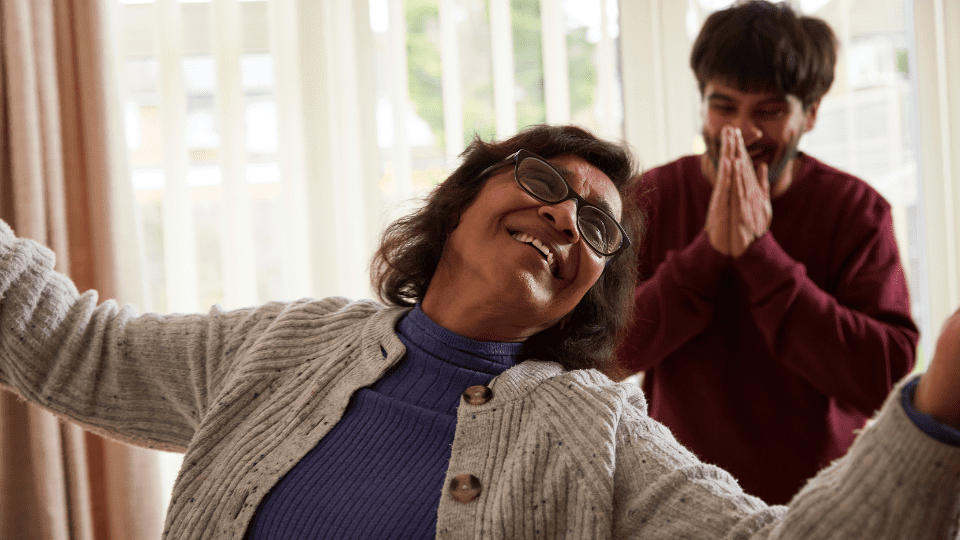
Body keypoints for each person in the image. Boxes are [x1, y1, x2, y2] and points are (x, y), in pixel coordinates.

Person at [1, 124, 958, 540]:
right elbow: (72, 345)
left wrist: (946, 394)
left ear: (585, 296)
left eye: (597, 229)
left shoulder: (595, 433)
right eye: (544, 183)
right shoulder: (285, 345)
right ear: (458, 206)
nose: (562, 218)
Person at [612, 0, 920, 504]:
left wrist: (762, 258)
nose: (743, 131)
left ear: (811, 113)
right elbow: (609, 353)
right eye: (723, 106)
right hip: (680, 495)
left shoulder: (856, 210)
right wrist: (707, 255)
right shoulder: (651, 199)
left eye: (770, 111)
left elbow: (882, 374)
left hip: (819, 501)